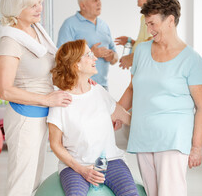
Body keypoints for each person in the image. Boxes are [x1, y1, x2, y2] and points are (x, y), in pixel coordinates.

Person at [119, 0, 202, 196]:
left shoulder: (191, 59)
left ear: (170, 20)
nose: (149, 30)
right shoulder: (141, 51)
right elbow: (132, 89)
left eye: (152, 24)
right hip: (143, 136)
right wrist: (117, 112)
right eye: (147, 25)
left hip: (172, 139)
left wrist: (196, 147)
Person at [0, 0, 72, 196]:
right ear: (16, 8)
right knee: (21, 182)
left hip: (41, 114)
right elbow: (5, 91)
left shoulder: (36, 31)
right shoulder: (10, 41)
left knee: (34, 180)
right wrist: (48, 99)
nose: (39, 8)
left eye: (40, 3)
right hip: (24, 118)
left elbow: (52, 69)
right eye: (32, 5)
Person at [47, 39, 139, 196]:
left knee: (130, 193)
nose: (95, 58)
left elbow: (124, 116)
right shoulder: (60, 100)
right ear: (76, 65)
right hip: (75, 166)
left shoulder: (99, 92)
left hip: (111, 161)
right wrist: (81, 169)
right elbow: (55, 144)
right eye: (89, 55)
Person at [57, 0, 118, 90]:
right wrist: (91, 54)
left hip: (103, 86)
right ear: (83, 6)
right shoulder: (69, 24)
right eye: (95, 1)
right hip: (80, 86)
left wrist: (112, 56)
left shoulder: (104, 25)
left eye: (99, 0)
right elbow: (62, 57)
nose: (99, 3)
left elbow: (115, 57)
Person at [115, 0, 164, 69]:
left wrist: (131, 58)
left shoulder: (155, 16)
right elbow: (147, 42)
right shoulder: (145, 16)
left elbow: (153, 45)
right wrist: (133, 43)